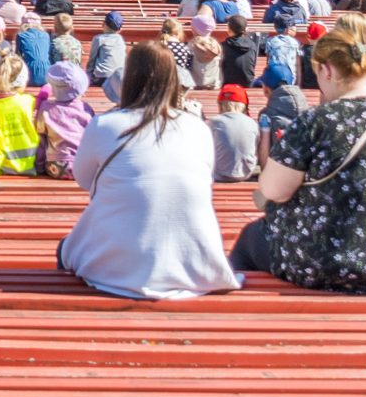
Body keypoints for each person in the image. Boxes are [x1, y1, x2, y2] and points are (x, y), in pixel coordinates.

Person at [232, 13, 366, 294]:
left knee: (252, 237)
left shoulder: (317, 122)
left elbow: (273, 191)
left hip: (329, 263)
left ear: (327, 70)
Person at [55, 42, 241, 299]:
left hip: (112, 268)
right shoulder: (198, 127)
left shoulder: (105, 124)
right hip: (192, 263)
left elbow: (83, 179)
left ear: (129, 78)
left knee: (65, 249)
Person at [208, 83, 260, 181]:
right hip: (246, 173)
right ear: (244, 106)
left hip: (218, 174)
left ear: (220, 104)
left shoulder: (214, 122)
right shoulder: (252, 123)